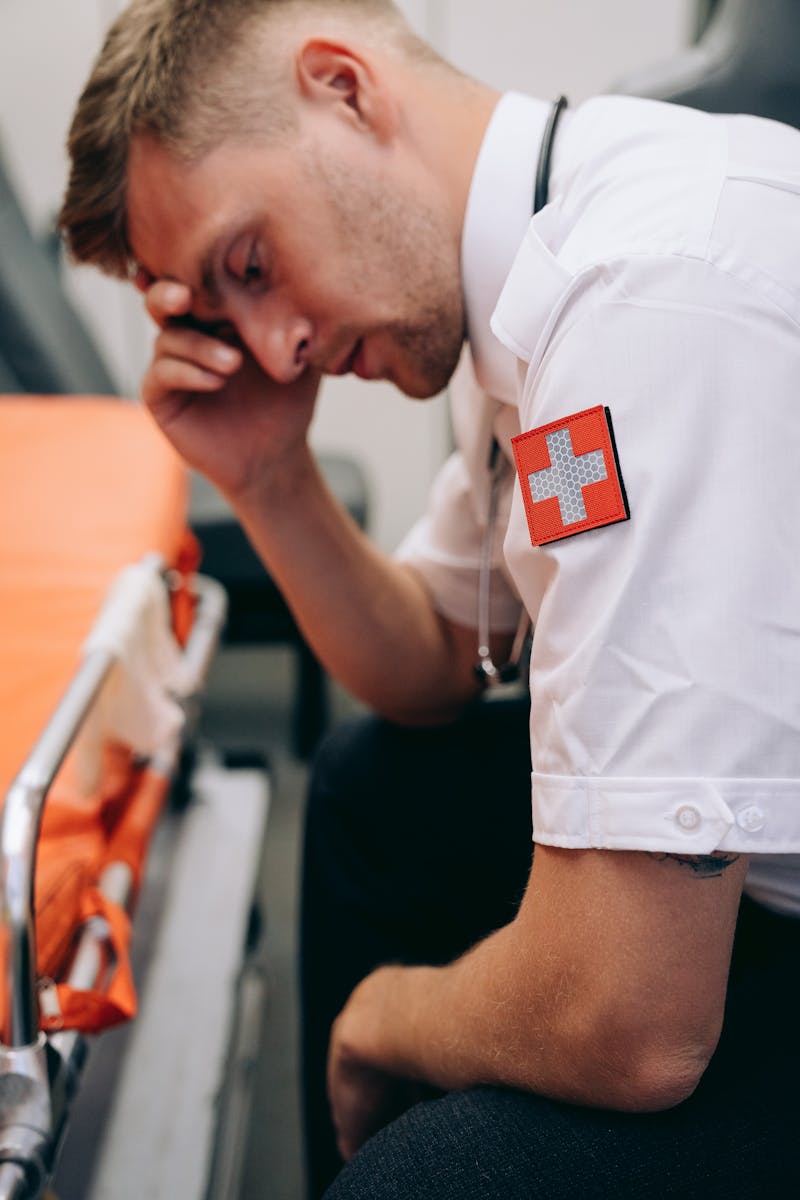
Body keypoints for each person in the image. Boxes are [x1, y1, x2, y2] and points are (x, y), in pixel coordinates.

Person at [59, 1, 800, 1196]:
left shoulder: (640, 304)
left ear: (342, 88)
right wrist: (268, 475)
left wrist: (381, 1018)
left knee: (423, 1179)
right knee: (371, 790)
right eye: (219, 309)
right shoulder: (545, 254)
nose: (274, 348)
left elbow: (633, 1020)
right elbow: (431, 665)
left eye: (249, 264)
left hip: (713, 956)